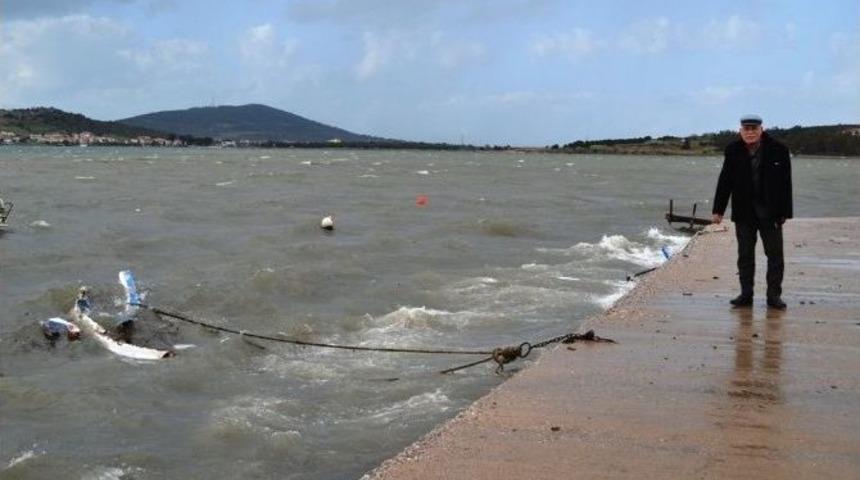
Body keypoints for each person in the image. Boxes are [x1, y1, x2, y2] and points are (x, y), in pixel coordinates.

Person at [711, 114, 792, 309]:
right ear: (741, 130)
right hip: (744, 212)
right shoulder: (732, 150)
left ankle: (774, 297)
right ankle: (746, 295)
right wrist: (718, 210)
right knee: (745, 255)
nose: (750, 132)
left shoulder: (779, 149)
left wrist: (785, 213)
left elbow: (786, 184)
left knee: (775, 256)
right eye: (746, 129)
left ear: (761, 129)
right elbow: (725, 181)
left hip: (770, 212)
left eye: (753, 128)